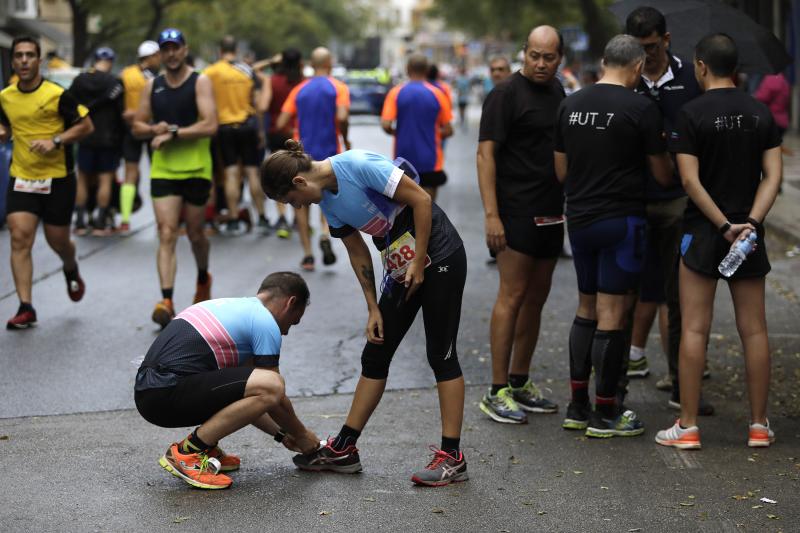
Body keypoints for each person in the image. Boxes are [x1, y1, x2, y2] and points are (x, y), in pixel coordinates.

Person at [261, 142, 468, 487]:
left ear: (299, 182)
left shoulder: (359, 166)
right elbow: (357, 250)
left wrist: (419, 259)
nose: (299, 206)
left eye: (292, 201)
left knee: (441, 354)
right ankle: (345, 447)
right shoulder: (327, 200)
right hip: (401, 267)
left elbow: (421, 200)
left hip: (440, 255)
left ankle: (452, 457)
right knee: (376, 351)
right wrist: (373, 306)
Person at [656, 34, 782, 450]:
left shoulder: (690, 115)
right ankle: (759, 425)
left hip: (703, 231)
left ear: (702, 66)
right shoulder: (761, 112)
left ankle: (688, 426)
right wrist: (749, 223)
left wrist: (723, 224)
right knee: (755, 330)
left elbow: (689, 180)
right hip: (749, 235)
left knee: (693, 327)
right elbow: (774, 178)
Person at [554, 34, 674, 438]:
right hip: (623, 221)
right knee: (613, 313)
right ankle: (606, 412)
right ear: (638, 67)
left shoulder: (570, 105)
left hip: (580, 219)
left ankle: (576, 405)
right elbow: (661, 174)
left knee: (585, 307)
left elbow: (560, 173)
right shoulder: (642, 107)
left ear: (604, 61)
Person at [134, 272, 321, 489]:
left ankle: (204, 447)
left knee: (259, 384)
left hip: (150, 394)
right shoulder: (264, 320)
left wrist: (282, 435)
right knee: (272, 383)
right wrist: (302, 435)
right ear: (291, 303)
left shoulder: (229, 308)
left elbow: (248, 397)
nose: (287, 331)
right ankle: (188, 452)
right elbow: (273, 395)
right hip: (166, 391)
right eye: (293, 322)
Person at [624, 7, 714, 416]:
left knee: (679, 297)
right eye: (639, 49)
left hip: (680, 199)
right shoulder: (623, 79)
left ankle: (683, 384)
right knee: (625, 293)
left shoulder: (691, 79)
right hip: (632, 199)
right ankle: (611, 391)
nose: (647, 56)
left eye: (653, 47)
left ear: (667, 39)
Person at [476, 26, 565, 425]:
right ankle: (496, 391)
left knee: (536, 299)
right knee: (511, 296)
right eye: (535, 56)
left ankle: (519, 380)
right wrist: (492, 215)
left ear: (559, 58)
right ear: (523, 54)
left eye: (549, 57)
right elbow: (485, 156)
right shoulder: (504, 94)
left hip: (551, 211)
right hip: (513, 212)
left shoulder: (559, 92)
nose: (541, 64)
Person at [1, 36, 94, 329]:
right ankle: (26, 306)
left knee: (58, 241)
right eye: (19, 56)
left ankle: (70, 266)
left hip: (57, 179)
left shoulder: (58, 95)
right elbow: (4, 125)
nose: (25, 60)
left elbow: (86, 126)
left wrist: (56, 140)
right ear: (14, 61)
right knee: (19, 236)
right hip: (23, 177)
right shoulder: (5, 97)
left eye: (30, 55)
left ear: (39, 60)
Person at [132, 28, 218, 328]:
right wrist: (153, 129)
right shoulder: (152, 85)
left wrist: (173, 132)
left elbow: (210, 125)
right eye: (165, 48)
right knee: (166, 232)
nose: (170, 53)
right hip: (164, 170)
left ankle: (203, 275)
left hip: (196, 168)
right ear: (159, 53)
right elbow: (138, 126)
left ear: (184, 49)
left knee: (195, 234)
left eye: (175, 48)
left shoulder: (200, 81)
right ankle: (166, 301)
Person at [276, 47, 347, 271]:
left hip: (302, 155)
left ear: (311, 63)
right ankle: (325, 234)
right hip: (329, 154)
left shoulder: (300, 89)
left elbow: (280, 123)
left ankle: (308, 255)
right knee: (325, 200)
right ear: (330, 62)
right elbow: (343, 116)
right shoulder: (338, 88)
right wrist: (344, 135)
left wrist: (295, 135)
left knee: (301, 205)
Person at [204, 35, 269, 235]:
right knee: (252, 172)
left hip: (224, 128)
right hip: (247, 125)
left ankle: (233, 217)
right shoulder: (246, 71)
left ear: (220, 50)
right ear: (236, 49)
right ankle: (261, 216)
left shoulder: (211, 72)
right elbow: (257, 105)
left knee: (231, 173)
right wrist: (259, 130)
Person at [381, 54, 453, 202]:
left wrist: (397, 132)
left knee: (405, 208)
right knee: (429, 207)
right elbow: (448, 129)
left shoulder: (396, 92)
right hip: (430, 159)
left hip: (404, 159)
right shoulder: (438, 94)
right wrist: (433, 133)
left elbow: (386, 124)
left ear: (407, 69)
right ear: (426, 70)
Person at [69, 47, 124, 236]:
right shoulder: (114, 82)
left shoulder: (80, 80)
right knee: (105, 180)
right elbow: (120, 113)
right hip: (108, 138)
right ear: (110, 62)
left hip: (85, 136)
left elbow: (69, 105)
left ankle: (80, 222)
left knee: (82, 179)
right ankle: (100, 222)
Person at [119, 40, 161, 233]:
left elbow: (119, 103)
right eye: (157, 56)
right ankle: (161, 216)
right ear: (151, 57)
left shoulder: (126, 74)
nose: (159, 59)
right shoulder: (157, 77)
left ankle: (125, 219)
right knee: (157, 173)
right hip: (151, 129)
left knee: (130, 173)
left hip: (130, 129)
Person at [263, 49, 304, 239]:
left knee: (277, 174)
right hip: (299, 134)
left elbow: (263, 106)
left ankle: (281, 217)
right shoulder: (304, 82)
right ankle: (299, 217)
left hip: (277, 132)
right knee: (297, 174)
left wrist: (271, 60)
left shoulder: (272, 81)